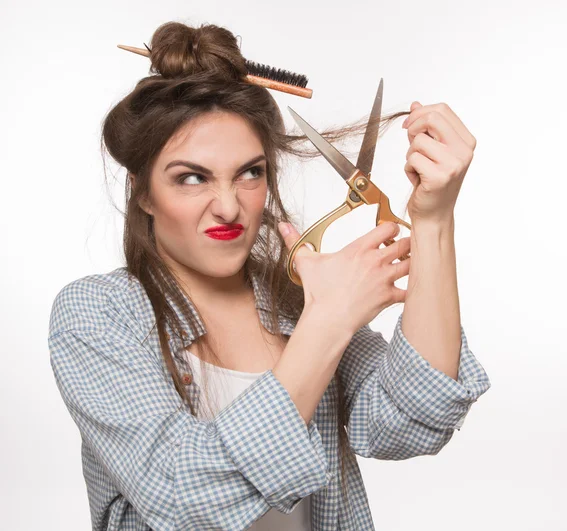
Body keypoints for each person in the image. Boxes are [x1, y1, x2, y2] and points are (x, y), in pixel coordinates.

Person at [47, 21, 491, 531]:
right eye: (191, 178)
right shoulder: (97, 314)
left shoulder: (296, 300)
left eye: (249, 173)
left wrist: (434, 219)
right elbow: (180, 496)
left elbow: (411, 423)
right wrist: (327, 325)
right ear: (143, 192)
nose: (230, 207)